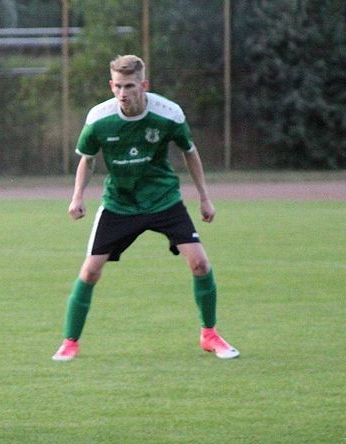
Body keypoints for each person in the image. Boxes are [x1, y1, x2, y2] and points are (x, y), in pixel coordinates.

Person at [51, 54, 239, 362]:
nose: (123, 94)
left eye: (130, 86)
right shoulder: (99, 118)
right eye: (118, 86)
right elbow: (87, 159)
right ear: (111, 85)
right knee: (90, 271)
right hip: (119, 203)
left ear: (144, 85)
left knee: (200, 265)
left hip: (163, 199)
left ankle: (210, 335)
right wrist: (77, 197)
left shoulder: (169, 114)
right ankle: (69, 342)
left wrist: (204, 197)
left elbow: (190, 153)